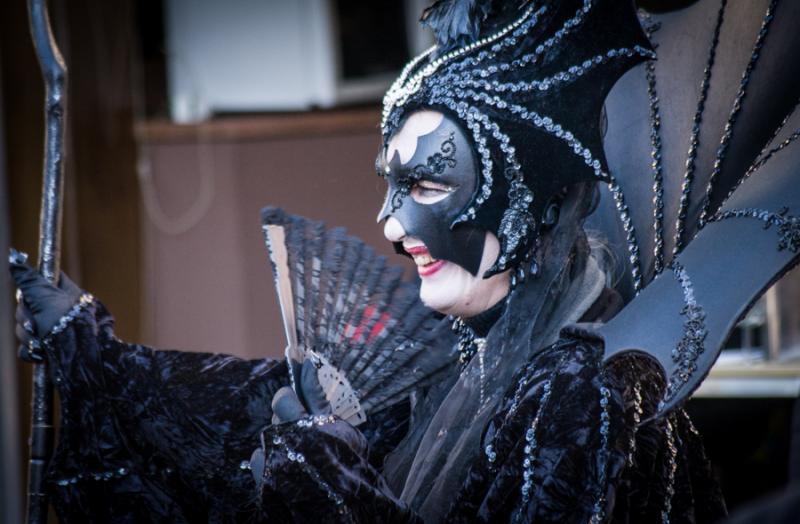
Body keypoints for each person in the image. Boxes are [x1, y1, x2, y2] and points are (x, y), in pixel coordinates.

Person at [12, 0, 799, 521]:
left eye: (424, 183)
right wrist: (92, 347)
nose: (390, 224)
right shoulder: (462, 361)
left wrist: (323, 479)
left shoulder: (579, 403)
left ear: (528, 195)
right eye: (391, 185)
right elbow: (243, 406)